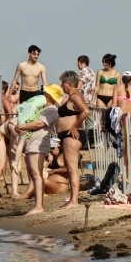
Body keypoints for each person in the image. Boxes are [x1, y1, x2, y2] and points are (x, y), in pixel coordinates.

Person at [15, 84, 63, 215]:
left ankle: (39, 206)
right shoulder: (45, 108)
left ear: (49, 96)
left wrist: (21, 126)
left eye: (46, 92)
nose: (43, 93)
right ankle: (37, 204)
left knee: (36, 174)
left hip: (39, 142)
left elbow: (39, 124)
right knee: (33, 174)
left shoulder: (52, 110)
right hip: (33, 141)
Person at [54, 70, 90, 209]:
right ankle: (73, 199)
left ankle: (74, 200)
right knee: (70, 168)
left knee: (72, 168)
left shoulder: (75, 96)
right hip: (67, 135)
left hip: (72, 135)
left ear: (68, 84)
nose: (61, 85)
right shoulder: (70, 97)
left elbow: (85, 111)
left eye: (62, 83)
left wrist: (74, 126)